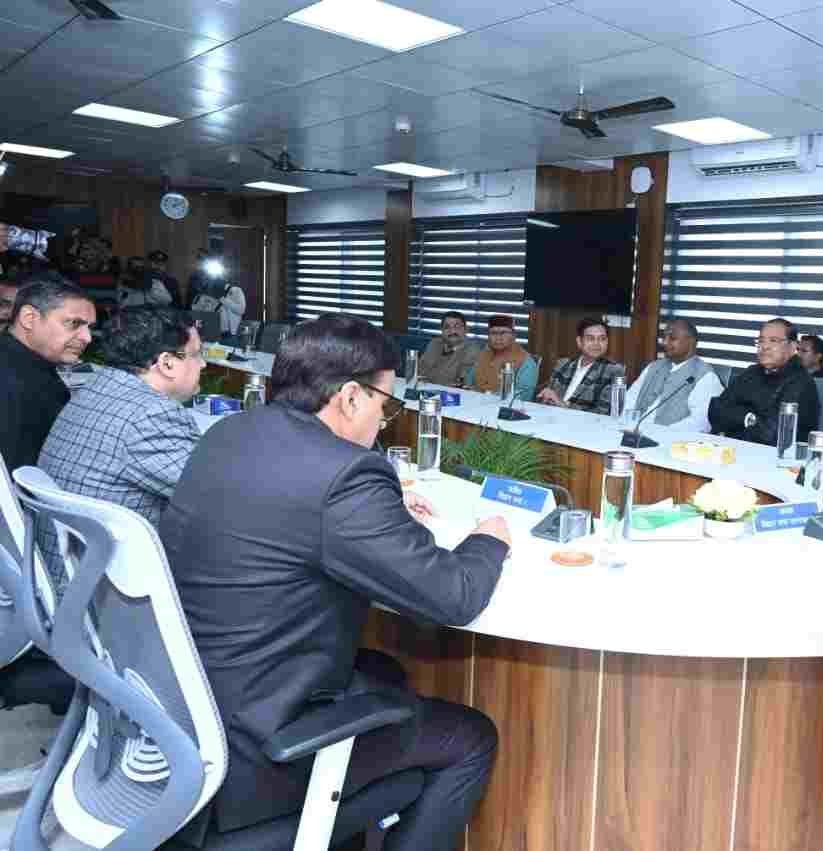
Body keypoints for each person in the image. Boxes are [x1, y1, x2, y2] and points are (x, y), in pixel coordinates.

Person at [160, 314, 511, 851]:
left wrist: (377, 510)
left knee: (385, 673)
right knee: (469, 737)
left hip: (180, 716)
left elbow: (294, 512)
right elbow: (453, 595)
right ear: (349, 396)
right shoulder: (346, 474)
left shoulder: (231, 432)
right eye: (385, 405)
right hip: (252, 751)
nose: (384, 421)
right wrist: (489, 540)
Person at [39, 307, 204, 528]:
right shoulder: (152, 416)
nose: (203, 364)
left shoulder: (96, 388)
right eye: (197, 354)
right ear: (167, 363)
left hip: (60, 542)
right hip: (106, 549)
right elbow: (216, 495)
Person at [0, 274, 95, 470]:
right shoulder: (12, 381)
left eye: (89, 327)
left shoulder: (34, 365)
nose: (87, 338)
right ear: (29, 318)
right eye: (74, 324)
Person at [708, 318, 818, 446]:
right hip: (733, 447)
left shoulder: (801, 382)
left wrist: (735, 421)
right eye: (761, 341)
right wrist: (748, 418)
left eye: (773, 341)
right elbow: (716, 410)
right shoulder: (752, 372)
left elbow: (772, 435)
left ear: (793, 347)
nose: (764, 346)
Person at [624, 319, 723, 433]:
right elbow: (630, 399)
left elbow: (700, 423)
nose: (664, 342)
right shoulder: (653, 367)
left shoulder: (706, 377)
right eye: (664, 337)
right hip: (632, 432)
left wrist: (661, 433)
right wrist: (629, 424)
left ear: (691, 343)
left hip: (669, 438)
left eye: (672, 338)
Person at [537, 317, 625, 414]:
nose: (596, 343)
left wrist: (562, 404)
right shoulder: (563, 364)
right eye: (590, 338)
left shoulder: (614, 371)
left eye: (602, 339)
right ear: (579, 342)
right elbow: (547, 399)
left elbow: (603, 413)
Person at [467, 314, 537, 401]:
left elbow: (524, 396)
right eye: (493, 333)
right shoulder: (483, 355)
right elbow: (468, 383)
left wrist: (488, 395)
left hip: (505, 407)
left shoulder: (526, 362)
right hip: (474, 403)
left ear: (514, 335)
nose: (498, 338)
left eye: (503, 333)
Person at [417, 311, 481, 387]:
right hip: (424, 389)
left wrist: (428, 379)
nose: (452, 331)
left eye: (457, 327)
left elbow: (461, 383)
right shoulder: (435, 343)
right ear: (442, 330)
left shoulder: (472, 350)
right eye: (447, 327)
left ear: (466, 329)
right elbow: (420, 371)